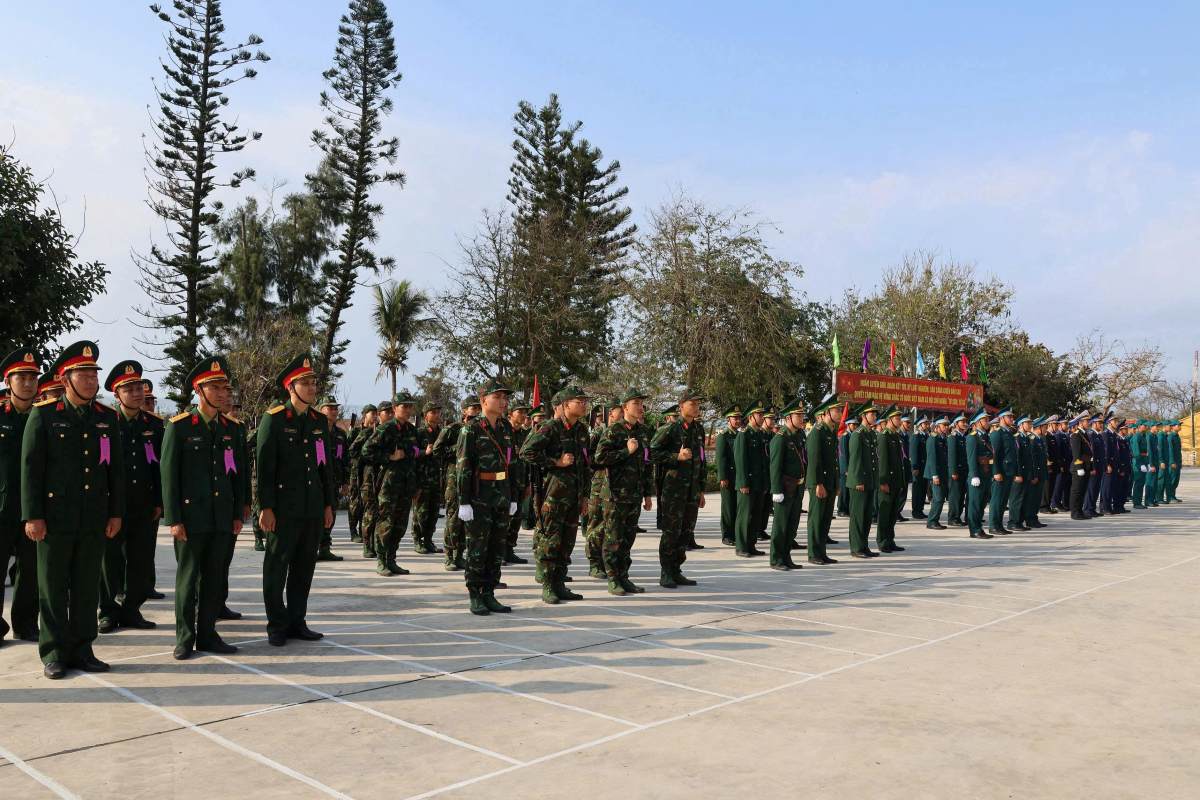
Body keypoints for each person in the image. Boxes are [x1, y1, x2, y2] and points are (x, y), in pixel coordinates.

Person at [21, 340, 125, 679]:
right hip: (54, 518)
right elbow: (31, 470)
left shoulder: (106, 418)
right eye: (84, 374)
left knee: (85, 586)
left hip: (93, 516)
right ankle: (53, 651)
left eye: (94, 374)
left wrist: (114, 512)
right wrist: (32, 515)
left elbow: (115, 471)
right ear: (66, 380)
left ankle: (83, 648)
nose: (92, 380)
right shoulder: (45, 415)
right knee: (52, 586)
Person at [161, 357, 244, 659]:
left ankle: (208, 634)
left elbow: (238, 475)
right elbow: (168, 476)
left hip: (221, 516)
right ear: (200, 390)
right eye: (216, 388)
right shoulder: (180, 427)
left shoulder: (231, 429)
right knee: (188, 577)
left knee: (213, 578)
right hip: (191, 517)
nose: (223, 393)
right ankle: (185, 637)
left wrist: (237, 513)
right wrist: (173, 518)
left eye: (225, 388)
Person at [256, 354, 336, 647]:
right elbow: (264, 467)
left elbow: (325, 466)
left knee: (304, 567)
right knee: (276, 567)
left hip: (312, 507)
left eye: (314, 382)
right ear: (291, 387)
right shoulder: (274, 418)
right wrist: (265, 507)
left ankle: (297, 620)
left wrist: (328, 504)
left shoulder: (317, 421)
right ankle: (276, 624)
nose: (312, 387)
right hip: (283, 509)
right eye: (306, 383)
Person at [98, 360, 163, 634]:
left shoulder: (155, 424)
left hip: (144, 504)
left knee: (140, 560)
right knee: (110, 562)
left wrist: (160, 501)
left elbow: (161, 466)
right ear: (117, 394)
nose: (137, 393)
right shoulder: (105, 423)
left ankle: (132, 609)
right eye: (130, 389)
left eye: (139, 387)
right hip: (114, 505)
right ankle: (108, 611)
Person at [521, 386, 590, 603]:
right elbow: (526, 452)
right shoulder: (550, 428)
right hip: (553, 495)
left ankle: (560, 584)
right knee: (551, 540)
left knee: (567, 542)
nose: (583, 404)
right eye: (578, 401)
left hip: (574, 495)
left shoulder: (581, 430)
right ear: (565, 404)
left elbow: (585, 465)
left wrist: (585, 496)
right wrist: (555, 463)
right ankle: (548, 585)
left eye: (584, 401)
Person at [455, 380, 517, 615]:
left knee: (496, 547)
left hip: (501, 494)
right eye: (498, 397)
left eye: (505, 398)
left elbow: (512, 463)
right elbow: (464, 468)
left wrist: (512, 496)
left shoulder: (506, 428)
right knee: (478, 548)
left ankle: (489, 593)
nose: (503, 402)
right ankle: (475, 594)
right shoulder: (470, 429)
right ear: (483, 401)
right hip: (480, 496)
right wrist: (464, 501)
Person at [594, 388, 655, 593]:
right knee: (613, 538)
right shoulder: (613, 431)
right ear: (625, 407)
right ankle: (613, 578)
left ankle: (624, 576)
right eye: (635, 403)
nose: (640, 407)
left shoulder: (643, 432)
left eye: (641, 403)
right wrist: (625, 451)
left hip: (634, 494)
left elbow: (647, 465)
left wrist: (647, 494)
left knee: (628, 538)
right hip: (615, 494)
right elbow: (599, 458)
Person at [0, 349, 41, 645]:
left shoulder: (45, 417)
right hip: (1, 507)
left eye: (32, 378)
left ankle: (26, 624)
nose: (28, 383)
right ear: (8, 381)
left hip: (33, 508)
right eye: (21, 378)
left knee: (30, 571)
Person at [649, 389, 707, 587]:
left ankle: (676, 569)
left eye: (698, 404)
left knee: (685, 532)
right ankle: (666, 572)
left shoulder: (699, 429)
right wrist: (676, 457)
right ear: (681, 406)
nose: (696, 407)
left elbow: (702, 460)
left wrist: (700, 489)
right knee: (671, 532)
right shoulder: (670, 429)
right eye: (692, 403)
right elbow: (652, 453)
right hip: (673, 490)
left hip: (691, 490)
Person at [433, 398, 480, 571]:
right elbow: (437, 450)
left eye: (478, 408)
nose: (476, 411)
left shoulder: (481, 429)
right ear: (464, 411)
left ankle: (460, 554)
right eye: (472, 408)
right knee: (453, 516)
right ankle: (449, 555)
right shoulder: (452, 429)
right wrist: (459, 448)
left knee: (468, 519)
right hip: (455, 476)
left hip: (474, 478)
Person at [767, 400, 805, 570]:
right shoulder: (780, 439)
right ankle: (776, 559)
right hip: (784, 488)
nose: (802, 418)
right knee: (781, 525)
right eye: (799, 415)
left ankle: (786, 556)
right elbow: (775, 466)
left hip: (796, 487)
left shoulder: (796, 436)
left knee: (791, 525)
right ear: (789, 418)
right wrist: (776, 490)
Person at [805, 394, 841, 565]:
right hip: (820, 483)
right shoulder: (817, 433)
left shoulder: (831, 432)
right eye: (837, 410)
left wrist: (836, 484)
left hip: (830, 483)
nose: (840, 413)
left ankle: (822, 552)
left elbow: (834, 462)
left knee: (825, 519)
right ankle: (813, 553)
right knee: (816, 519)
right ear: (827, 412)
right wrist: (818, 483)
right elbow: (814, 462)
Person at [846, 401, 879, 558]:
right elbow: (855, 460)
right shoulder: (857, 435)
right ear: (864, 416)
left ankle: (864, 546)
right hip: (859, 482)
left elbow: (873, 460)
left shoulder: (870, 434)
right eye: (872, 414)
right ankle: (856, 547)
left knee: (866, 516)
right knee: (858, 516)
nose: (875, 416)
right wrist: (858, 480)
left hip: (869, 481)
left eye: (875, 414)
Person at [316, 397, 347, 562]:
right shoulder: (314, 432)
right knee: (316, 516)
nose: (334, 411)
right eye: (330, 408)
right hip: (316, 482)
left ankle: (325, 548)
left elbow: (344, 460)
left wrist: (346, 482)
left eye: (335, 408)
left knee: (331, 516)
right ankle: (312, 548)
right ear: (321, 410)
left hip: (333, 482)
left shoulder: (340, 435)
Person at [734, 402, 767, 557]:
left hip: (759, 482)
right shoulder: (744, 434)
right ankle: (741, 546)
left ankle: (751, 544)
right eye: (759, 415)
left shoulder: (760, 434)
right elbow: (740, 460)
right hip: (748, 483)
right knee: (744, 515)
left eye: (762, 415)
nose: (762, 417)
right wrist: (743, 482)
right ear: (751, 417)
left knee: (756, 515)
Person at [347, 404, 377, 543]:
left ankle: (362, 530)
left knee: (366, 502)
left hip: (368, 472)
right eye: (372, 414)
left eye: (376, 414)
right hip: (355, 471)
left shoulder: (376, 431)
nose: (375, 416)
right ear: (365, 415)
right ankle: (353, 530)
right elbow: (350, 451)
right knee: (355, 501)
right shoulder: (355, 432)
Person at [964, 410, 994, 539]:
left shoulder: (986, 436)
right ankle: (974, 530)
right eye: (985, 420)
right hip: (977, 475)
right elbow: (971, 458)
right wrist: (974, 475)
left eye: (988, 420)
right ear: (978, 422)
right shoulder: (972, 437)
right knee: (975, 504)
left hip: (986, 474)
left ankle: (978, 527)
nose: (988, 422)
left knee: (982, 503)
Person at [989, 409, 1017, 533]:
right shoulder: (997, 434)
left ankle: (999, 525)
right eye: (1009, 417)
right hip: (1001, 472)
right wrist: (996, 472)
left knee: (1003, 500)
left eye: (1012, 417)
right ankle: (993, 526)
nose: (1012, 419)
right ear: (1002, 418)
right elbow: (994, 455)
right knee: (997, 500)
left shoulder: (1009, 433)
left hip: (1009, 471)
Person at [1007, 416, 1033, 531]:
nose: (1030, 425)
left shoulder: (1025, 438)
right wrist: (1017, 474)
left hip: (1026, 473)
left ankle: (1019, 522)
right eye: (1028, 423)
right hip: (1019, 473)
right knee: (1016, 499)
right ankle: (1013, 522)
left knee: (1024, 498)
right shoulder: (1017, 438)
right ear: (1021, 425)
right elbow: (1016, 458)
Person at [924, 416, 950, 530]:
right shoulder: (933, 439)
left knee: (940, 498)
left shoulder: (942, 438)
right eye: (944, 425)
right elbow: (932, 458)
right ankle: (931, 521)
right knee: (938, 498)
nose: (946, 427)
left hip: (942, 473)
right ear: (937, 426)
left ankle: (935, 520)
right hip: (935, 474)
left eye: (947, 425)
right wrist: (934, 475)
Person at [1068, 413, 1094, 520]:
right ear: (1080, 423)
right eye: (1087, 421)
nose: (1089, 423)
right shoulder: (1076, 435)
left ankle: (1080, 511)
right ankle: (1075, 512)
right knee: (1077, 491)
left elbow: (1089, 453)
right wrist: (1079, 468)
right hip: (1079, 467)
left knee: (1083, 490)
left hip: (1086, 466)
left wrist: (1090, 467)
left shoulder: (1084, 434)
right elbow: (1076, 454)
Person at [909, 416, 930, 520]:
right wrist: (915, 467)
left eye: (927, 423)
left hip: (925, 467)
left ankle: (920, 510)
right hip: (918, 468)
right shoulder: (916, 436)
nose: (927, 425)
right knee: (917, 490)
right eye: (925, 424)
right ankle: (916, 511)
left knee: (923, 489)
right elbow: (914, 453)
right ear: (920, 425)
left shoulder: (926, 436)